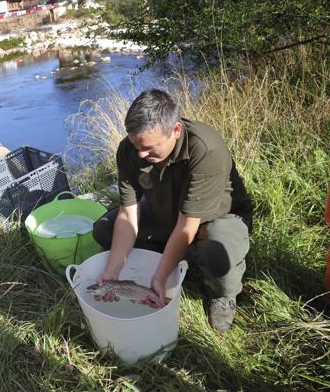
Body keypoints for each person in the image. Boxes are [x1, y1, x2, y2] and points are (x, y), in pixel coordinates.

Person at [92, 89, 252, 332]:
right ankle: (174, 255)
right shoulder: (130, 149)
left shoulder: (206, 149)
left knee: (216, 251)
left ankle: (223, 293)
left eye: (148, 148)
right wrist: (112, 272)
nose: (141, 154)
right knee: (104, 229)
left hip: (214, 218)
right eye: (136, 145)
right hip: (166, 212)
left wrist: (160, 278)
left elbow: (188, 225)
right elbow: (128, 214)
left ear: (175, 131)